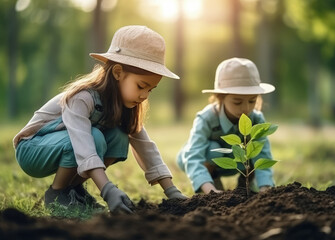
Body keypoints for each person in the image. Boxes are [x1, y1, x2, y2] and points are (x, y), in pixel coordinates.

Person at [13, 25, 187, 215]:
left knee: (120, 136)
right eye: (141, 86)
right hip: (33, 148)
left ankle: (73, 190)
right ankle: (56, 194)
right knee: (94, 136)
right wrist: (107, 189)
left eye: (150, 90)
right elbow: (82, 142)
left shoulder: (126, 107)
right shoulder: (83, 97)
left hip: (67, 145)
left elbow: (145, 147)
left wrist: (172, 191)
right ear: (118, 72)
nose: (145, 95)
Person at [177, 57, 276, 194]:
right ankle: (212, 184)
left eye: (252, 101)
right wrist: (210, 190)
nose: (246, 108)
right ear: (220, 97)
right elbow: (193, 157)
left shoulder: (256, 119)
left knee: (254, 149)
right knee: (213, 149)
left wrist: (265, 188)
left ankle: (245, 184)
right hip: (203, 160)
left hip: (238, 163)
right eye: (237, 102)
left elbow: (263, 156)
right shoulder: (206, 118)